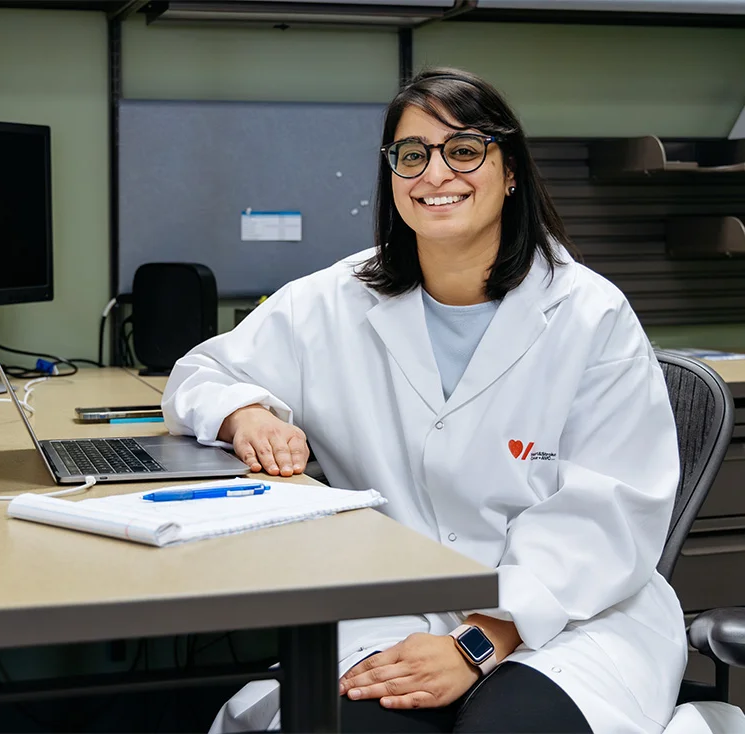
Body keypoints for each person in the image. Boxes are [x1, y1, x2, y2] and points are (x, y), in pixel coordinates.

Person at [161, 68, 687, 733]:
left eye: (463, 150)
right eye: (411, 155)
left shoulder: (589, 315)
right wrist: (246, 413)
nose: (434, 174)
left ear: (510, 170)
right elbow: (199, 374)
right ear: (391, 176)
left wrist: (477, 642)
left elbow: (605, 519)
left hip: (571, 619)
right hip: (391, 613)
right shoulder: (332, 301)